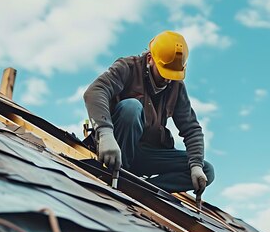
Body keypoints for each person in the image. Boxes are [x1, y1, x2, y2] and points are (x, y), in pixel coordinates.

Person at [83, 30, 214, 195]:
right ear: (151, 59)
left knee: (206, 169)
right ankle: (117, 172)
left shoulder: (176, 86)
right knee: (131, 107)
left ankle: (143, 188)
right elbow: (95, 91)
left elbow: (192, 129)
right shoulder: (128, 67)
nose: (168, 79)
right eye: (164, 72)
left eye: (173, 75)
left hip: (147, 154)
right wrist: (105, 134)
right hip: (118, 146)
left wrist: (196, 166)